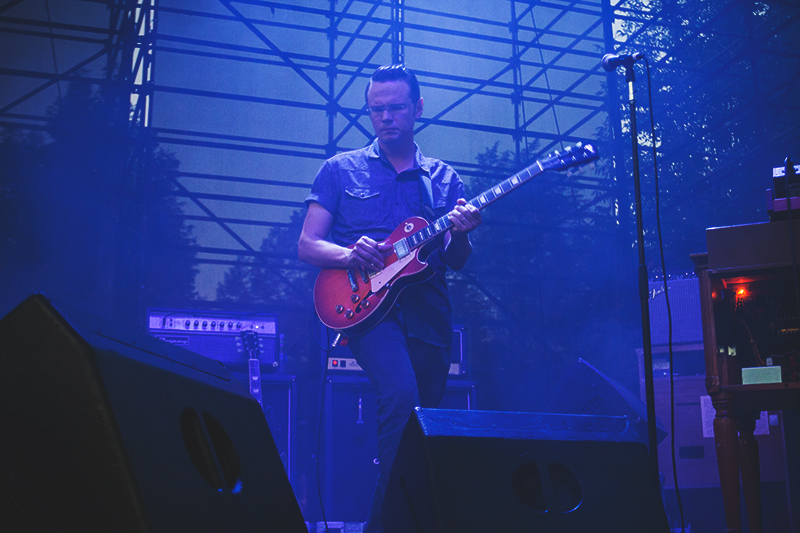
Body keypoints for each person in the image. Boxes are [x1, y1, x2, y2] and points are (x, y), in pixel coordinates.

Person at [298, 64, 481, 532]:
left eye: (396, 107)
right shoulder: (339, 170)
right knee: (400, 398)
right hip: (369, 313)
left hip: (429, 316)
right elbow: (308, 244)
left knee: (422, 428)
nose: (385, 117)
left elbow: (456, 259)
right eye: (376, 109)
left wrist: (461, 233)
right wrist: (348, 253)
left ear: (417, 108)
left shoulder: (443, 180)